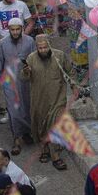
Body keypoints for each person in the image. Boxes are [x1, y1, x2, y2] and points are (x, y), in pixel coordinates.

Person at [23, 35, 71, 169]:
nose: (43, 50)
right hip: (39, 99)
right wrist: (27, 72)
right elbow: (24, 77)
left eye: (45, 47)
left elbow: (70, 72)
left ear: (49, 45)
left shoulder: (60, 56)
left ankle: (55, 156)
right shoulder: (31, 58)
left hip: (58, 99)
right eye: (40, 48)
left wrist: (74, 86)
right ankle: (44, 149)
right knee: (40, 124)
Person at [0, 17, 35, 148]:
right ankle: (16, 138)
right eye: (13, 30)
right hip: (9, 82)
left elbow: (34, 60)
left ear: (22, 29)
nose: (16, 32)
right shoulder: (2, 43)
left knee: (27, 108)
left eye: (18, 29)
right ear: (8, 30)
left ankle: (27, 133)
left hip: (26, 81)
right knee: (14, 110)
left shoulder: (29, 41)